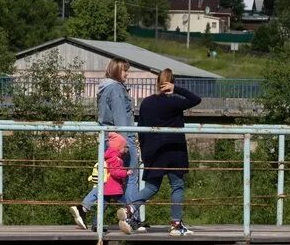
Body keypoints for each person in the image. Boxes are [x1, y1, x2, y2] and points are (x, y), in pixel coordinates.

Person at [125, 68, 200, 236]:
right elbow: (196, 99)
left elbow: (141, 129)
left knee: (152, 186)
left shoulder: (146, 102)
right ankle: (175, 224)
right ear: (171, 82)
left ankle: (131, 208)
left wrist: (145, 151)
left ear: (157, 83)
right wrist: (177, 89)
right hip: (174, 150)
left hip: (153, 150)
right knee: (177, 186)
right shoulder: (174, 102)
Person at [69, 59, 139, 228]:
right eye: (124, 71)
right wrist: (127, 144)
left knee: (110, 180)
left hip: (107, 138)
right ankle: (131, 218)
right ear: (116, 71)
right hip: (120, 138)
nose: (127, 74)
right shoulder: (115, 89)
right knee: (131, 177)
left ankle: (89, 213)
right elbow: (120, 118)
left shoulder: (104, 88)